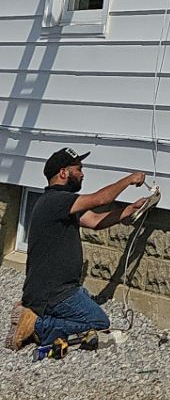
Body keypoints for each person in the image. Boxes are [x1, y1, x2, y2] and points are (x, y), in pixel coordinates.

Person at [6, 149, 153, 352]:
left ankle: (35, 314)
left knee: (83, 296)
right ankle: (36, 325)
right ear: (64, 173)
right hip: (53, 293)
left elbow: (94, 221)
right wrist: (128, 180)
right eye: (79, 169)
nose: (83, 174)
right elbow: (101, 199)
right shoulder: (56, 200)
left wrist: (129, 210)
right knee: (98, 322)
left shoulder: (59, 203)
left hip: (57, 290)